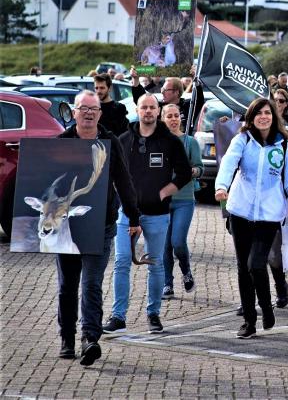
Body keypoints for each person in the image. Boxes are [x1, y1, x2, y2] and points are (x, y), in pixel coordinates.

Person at [56, 91, 141, 366]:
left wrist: (134, 216)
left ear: (100, 114)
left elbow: (125, 180)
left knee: (91, 283)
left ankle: (89, 338)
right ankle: (67, 339)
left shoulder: (110, 142)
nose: (89, 113)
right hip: (67, 228)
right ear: (75, 111)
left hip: (100, 225)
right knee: (67, 286)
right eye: (83, 109)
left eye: (93, 109)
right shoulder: (61, 143)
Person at [215, 97, 288, 339]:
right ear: (251, 117)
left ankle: (266, 306)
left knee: (256, 263)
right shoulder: (242, 140)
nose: (263, 117)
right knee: (244, 268)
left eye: (267, 112)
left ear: (274, 116)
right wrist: (221, 186)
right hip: (240, 212)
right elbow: (228, 164)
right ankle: (249, 321)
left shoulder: (283, 145)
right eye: (258, 113)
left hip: (269, 214)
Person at [104, 94, 192, 335]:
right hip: (126, 215)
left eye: (153, 107)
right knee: (122, 262)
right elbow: (112, 175)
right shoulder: (123, 140)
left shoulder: (170, 142)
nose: (148, 111)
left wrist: (166, 192)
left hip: (158, 215)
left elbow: (184, 173)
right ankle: (118, 316)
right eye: (144, 107)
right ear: (138, 109)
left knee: (155, 264)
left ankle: (153, 314)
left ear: (158, 110)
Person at [160, 104, 204, 300]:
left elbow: (200, 168)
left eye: (176, 115)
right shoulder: (157, 142)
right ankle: (167, 283)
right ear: (162, 119)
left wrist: (193, 171)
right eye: (169, 116)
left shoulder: (190, 142)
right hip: (161, 200)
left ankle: (186, 270)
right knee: (164, 244)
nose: (173, 119)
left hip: (184, 199)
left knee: (177, 242)